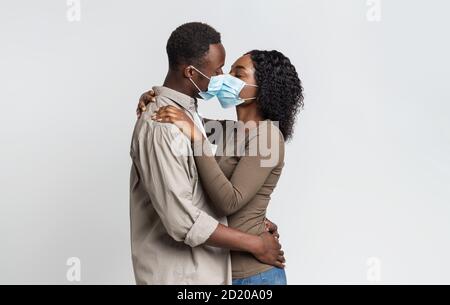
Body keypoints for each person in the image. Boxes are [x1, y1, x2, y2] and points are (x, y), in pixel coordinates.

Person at [130, 22, 284, 285]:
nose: (225, 78)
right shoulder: (191, 124)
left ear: (263, 90)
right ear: (190, 72)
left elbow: (229, 199)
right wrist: (155, 95)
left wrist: (256, 232)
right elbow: (184, 217)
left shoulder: (263, 134)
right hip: (190, 276)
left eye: (237, 74)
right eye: (221, 70)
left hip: (248, 272)